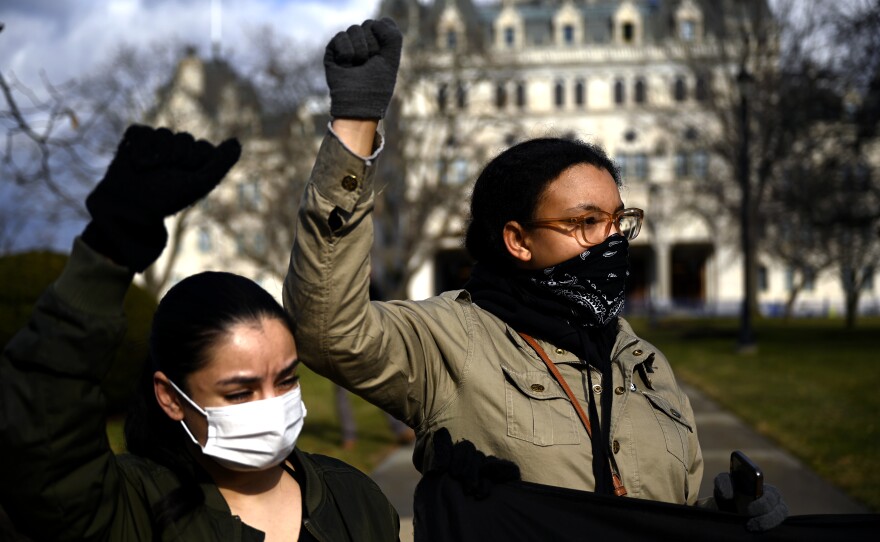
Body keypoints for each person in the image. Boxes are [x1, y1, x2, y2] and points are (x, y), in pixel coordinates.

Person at [283, 16, 788, 535]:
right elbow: (326, 329)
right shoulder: (451, 342)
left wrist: (722, 520)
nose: (611, 240)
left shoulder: (645, 364)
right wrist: (355, 126)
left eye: (619, 221)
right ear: (518, 240)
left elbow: (659, 518)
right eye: (587, 222)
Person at [0, 125, 400, 541]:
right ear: (171, 397)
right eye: (240, 392)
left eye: (286, 380)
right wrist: (109, 251)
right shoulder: (135, 510)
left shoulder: (355, 499)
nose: (274, 408)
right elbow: (43, 446)